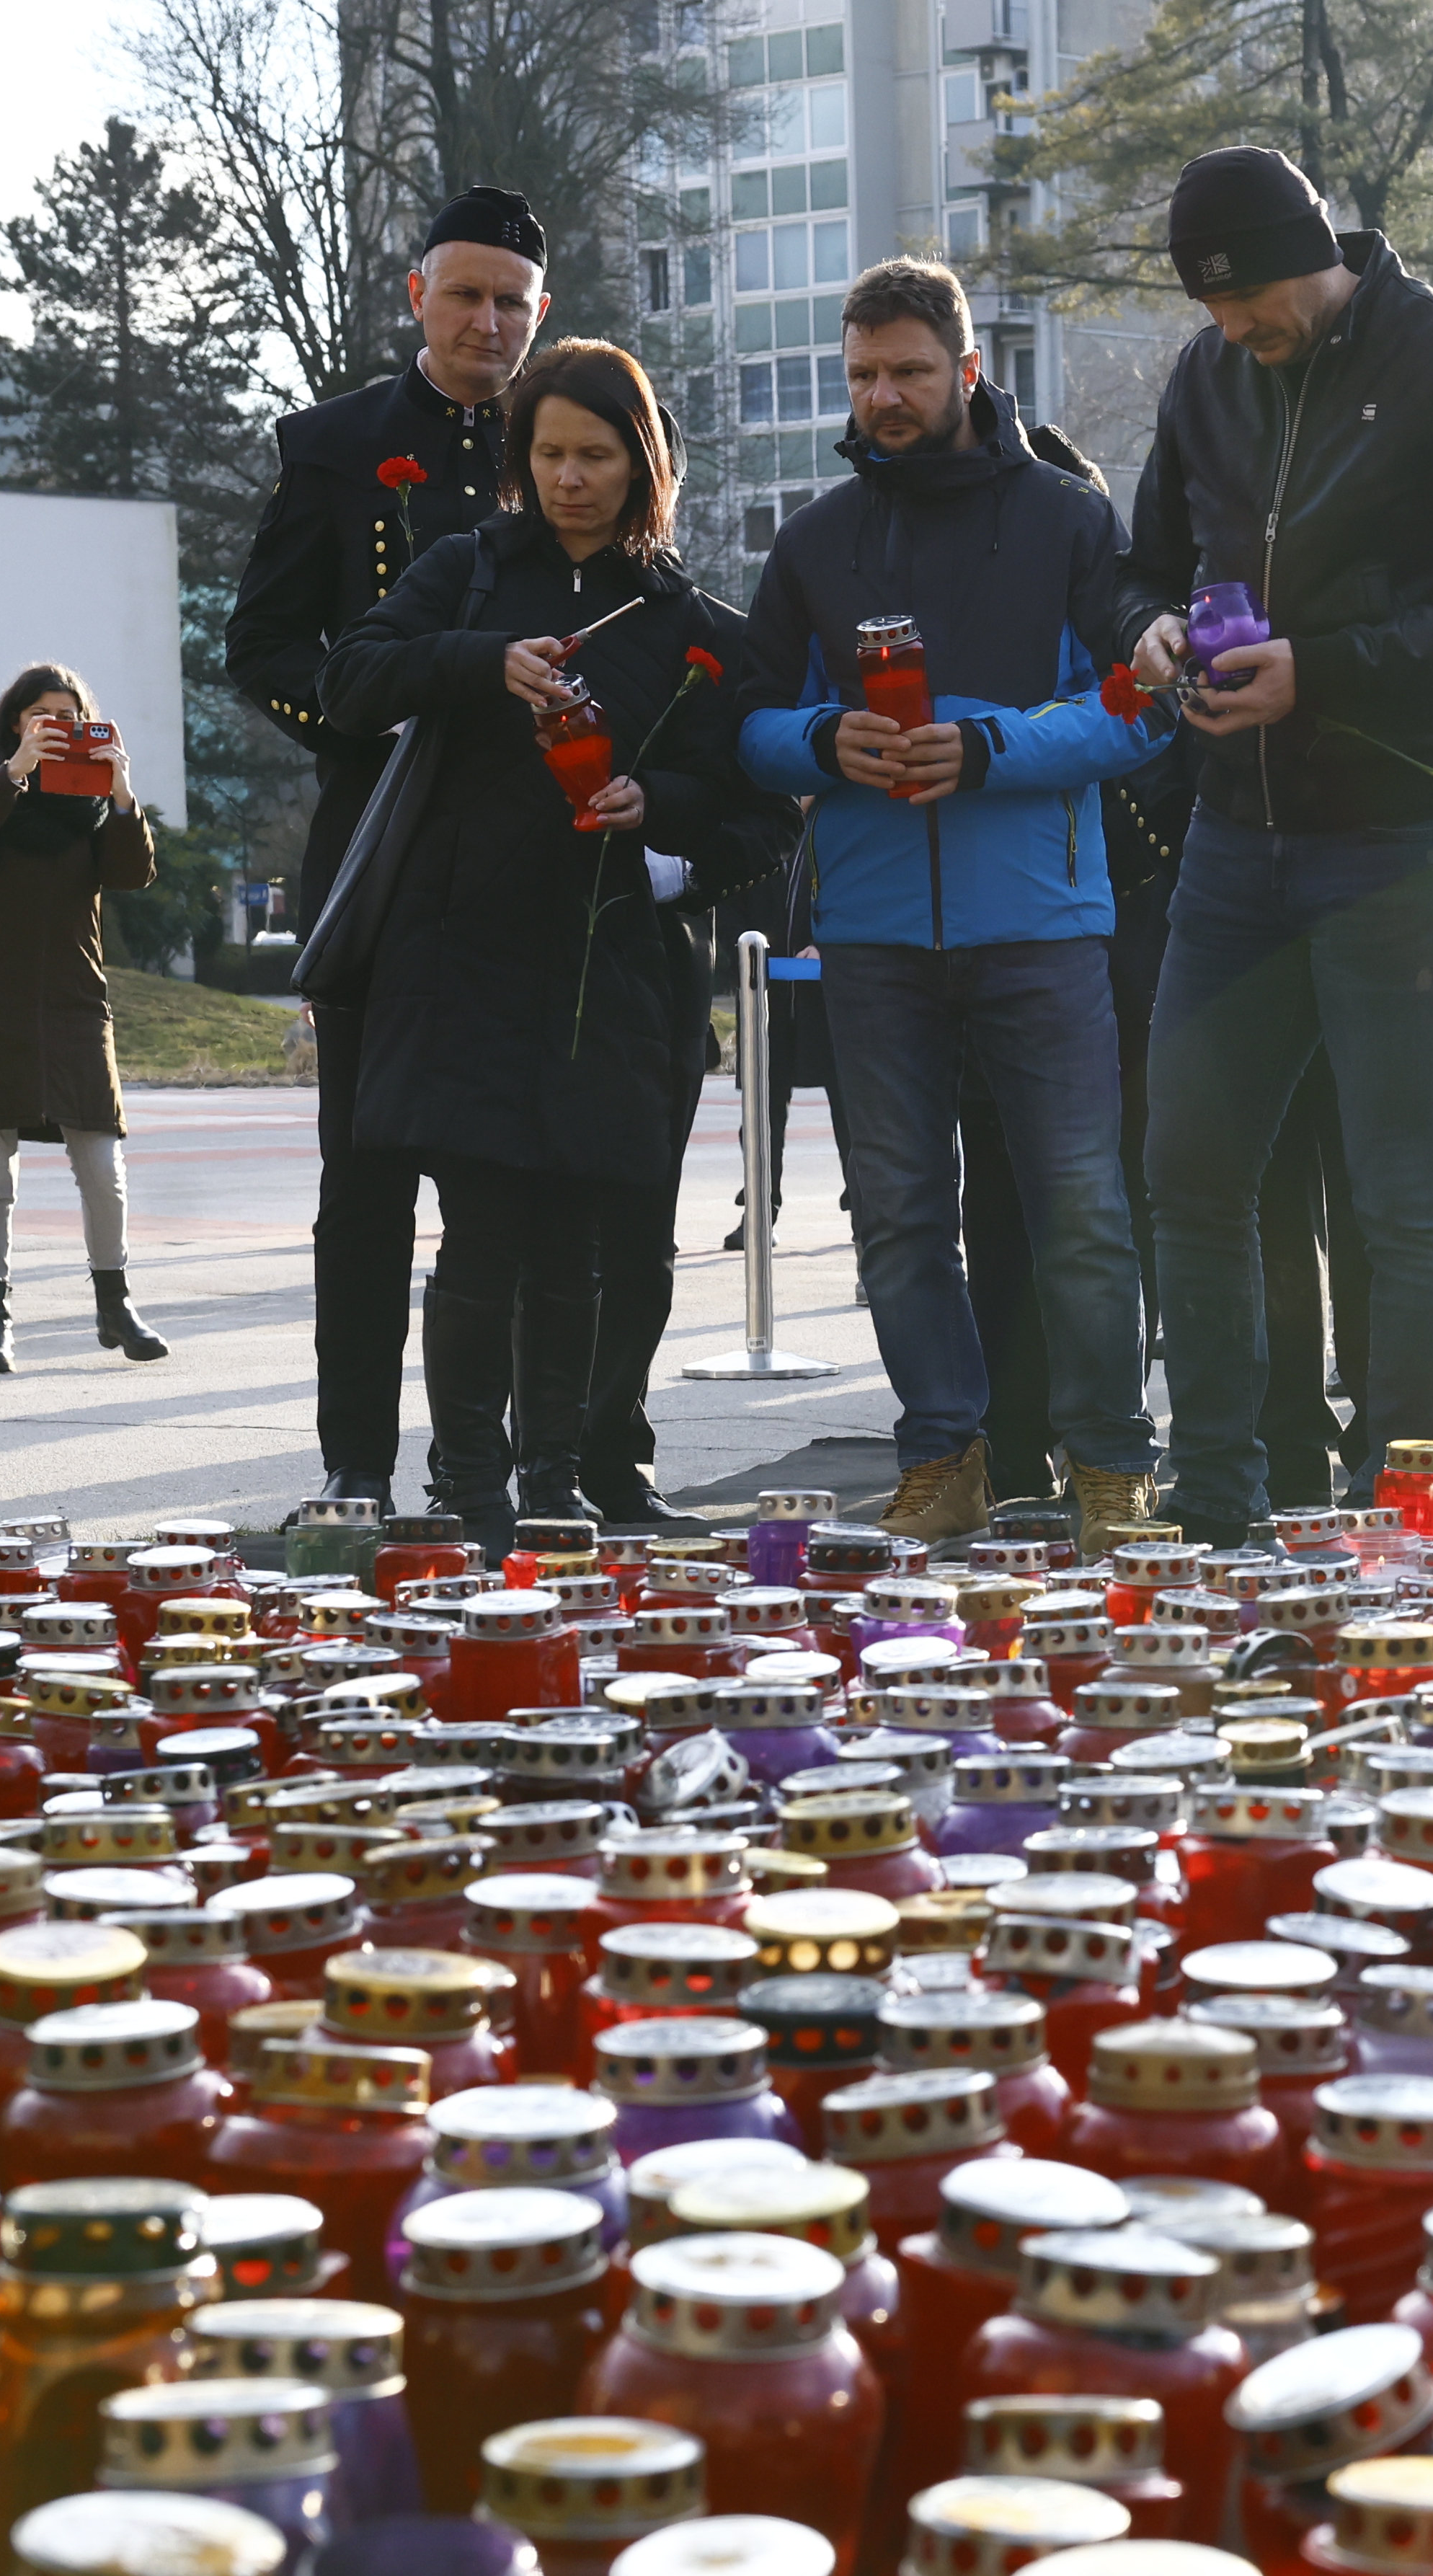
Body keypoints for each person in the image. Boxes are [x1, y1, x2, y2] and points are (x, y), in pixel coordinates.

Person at [1114, 145, 1433, 1544]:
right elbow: (1139, 560)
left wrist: (1327, 667)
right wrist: (1148, 628)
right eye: (1210, 310)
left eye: (1247, 301)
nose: (1233, 332)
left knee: (1404, 1191)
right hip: (1237, 840)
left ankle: (1408, 1511)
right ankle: (1220, 1501)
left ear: (1311, 253)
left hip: (1407, 835)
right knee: (1188, 1170)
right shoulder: (1207, 379)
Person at [320, 338, 791, 1546]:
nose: (573, 478)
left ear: (645, 463)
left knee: (587, 1250)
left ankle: (557, 1483)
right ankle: (467, 1481)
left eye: (598, 453)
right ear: (520, 461)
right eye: (551, 454)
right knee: (477, 1239)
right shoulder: (467, 570)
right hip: (462, 958)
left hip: (616, 972)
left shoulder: (697, 624)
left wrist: (664, 810)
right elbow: (352, 678)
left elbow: (762, 819)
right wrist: (487, 664)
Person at [737, 255, 1168, 1554]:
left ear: (969, 372)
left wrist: (986, 750)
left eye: (911, 372)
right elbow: (745, 726)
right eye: (863, 374)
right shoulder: (813, 541)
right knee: (899, 1213)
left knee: (1083, 1206)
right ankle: (944, 1454)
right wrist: (826, 746)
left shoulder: (1069, 521)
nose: (884, 396)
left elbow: (1138, 713)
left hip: (1042, 921)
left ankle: (1108, 1461)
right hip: (870, 935)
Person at [227, 182, 552, 1509]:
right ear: (415, 295)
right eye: (464, 294)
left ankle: (515, 1464)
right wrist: (379, 713)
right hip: (382, 841)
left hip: (533, 846)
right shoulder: (335, 444)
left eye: (512, 302)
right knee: (364, 1187)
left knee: (516, 1182)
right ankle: (356, 1463)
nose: (487, 322)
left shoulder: (571, 431)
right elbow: (261, 648)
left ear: (544, 314)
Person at [0, 669, 164, 1373]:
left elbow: (131, 875)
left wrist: (121, 791)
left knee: (103, 1165)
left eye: (70, 716)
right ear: (17, 724)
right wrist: (18, 772)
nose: (57, 726)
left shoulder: (95, 807)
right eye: (42, 716)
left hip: (73, 1000)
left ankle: (114, 1303)